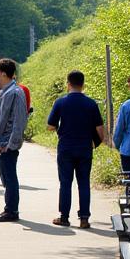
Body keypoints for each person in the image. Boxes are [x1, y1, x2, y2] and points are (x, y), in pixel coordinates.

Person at [47, 70, 105, 228]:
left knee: (65, 182)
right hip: (85, 148)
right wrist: (98, 142)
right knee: (84, 182)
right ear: (83, 84)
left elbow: (50, 126)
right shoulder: (91, 104)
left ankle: (64, 217)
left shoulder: (60, 102)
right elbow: (100, 129)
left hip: (65, 147)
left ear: (68, 84)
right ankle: (84, 218)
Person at [0, 58, 28, 222]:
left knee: (9, 178)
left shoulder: (15, 93)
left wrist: (11, 144)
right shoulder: (6, 92)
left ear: (3, 73)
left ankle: (11, 210)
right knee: (5, 176)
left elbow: (19, 121)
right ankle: (10, 209)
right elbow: (2, 118)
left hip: (7, 144)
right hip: (1, 142)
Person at [0, 79, 33, 186]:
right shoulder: (18, 90)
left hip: (3, 133)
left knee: (8, 173)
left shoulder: (14, 91)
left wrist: (10, 141)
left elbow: (4, 116)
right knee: (6, 171)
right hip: (0, 131)